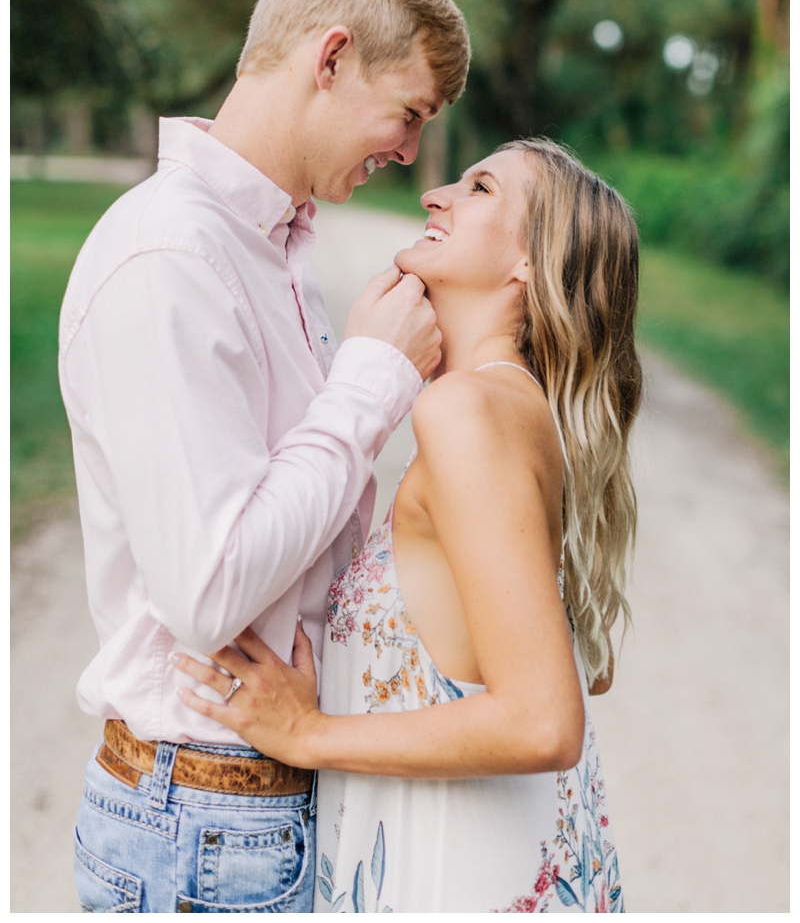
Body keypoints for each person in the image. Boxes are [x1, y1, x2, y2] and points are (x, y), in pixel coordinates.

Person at [58, 0, 471, 913]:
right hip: (203, 830)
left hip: (263, 808)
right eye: (405, 112)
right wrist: (370, 382)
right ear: (330, 56)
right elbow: (208, 589)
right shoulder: (172, 260)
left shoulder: (272, 249)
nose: (411, 152)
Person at [173, 137, 642, 912]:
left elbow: (542, 720)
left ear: (531, 262)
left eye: (480, 187)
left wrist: (307, 732)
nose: (436, 196)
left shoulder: (469, 411)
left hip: (454, 876)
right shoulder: (505, 406)